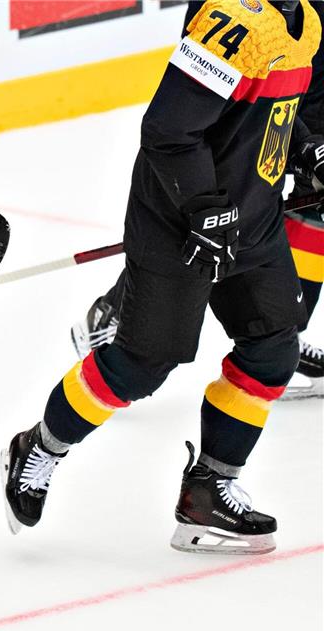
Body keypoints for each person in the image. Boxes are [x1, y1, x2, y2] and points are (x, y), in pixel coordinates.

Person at [2, 0, 321, 555]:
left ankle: (208, 491)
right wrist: (204, 208)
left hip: (254, 217)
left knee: (273, 349)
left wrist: (310, 151)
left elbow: (271, 117)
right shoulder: (231, 21)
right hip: (178, 222)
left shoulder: (306, 21)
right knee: (143, 364)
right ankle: (41, 446)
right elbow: (168, 129)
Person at [71, 0, 324, 400]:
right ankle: (125, 308)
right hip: (262, 35)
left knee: (291, 175)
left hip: (297, 42)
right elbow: (174, 128)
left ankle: (283, 335)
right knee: (220, 167)